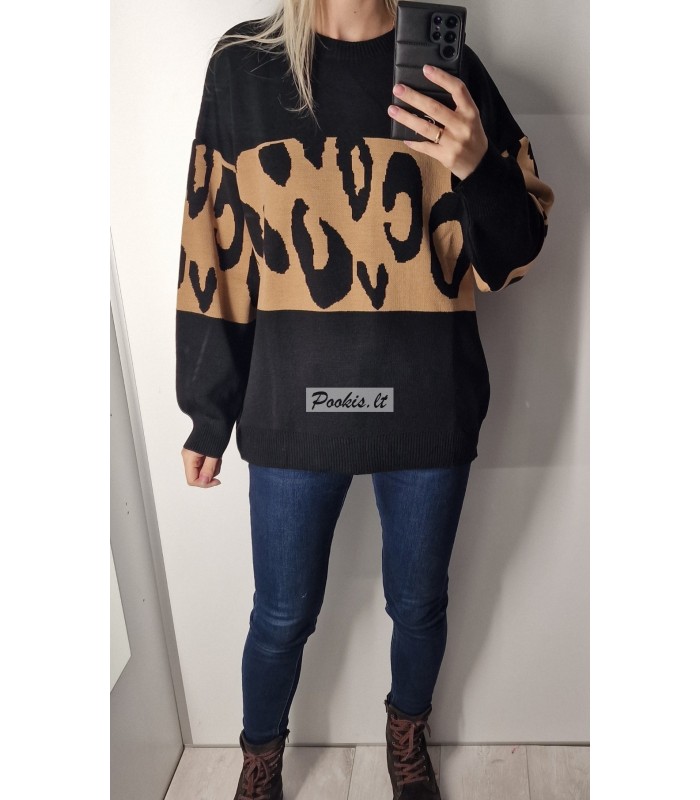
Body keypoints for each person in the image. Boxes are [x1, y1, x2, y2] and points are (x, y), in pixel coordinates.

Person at [176, 1, 554, 797]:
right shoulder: (244, 66)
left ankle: (406, 735)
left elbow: (515, 256)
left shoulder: (449, 71)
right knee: (281, 615)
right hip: (293, 405)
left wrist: (477, 165)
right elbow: (214, 245)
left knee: (418, 605)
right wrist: (208, 411)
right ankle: (260, 757)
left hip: (426, 400)